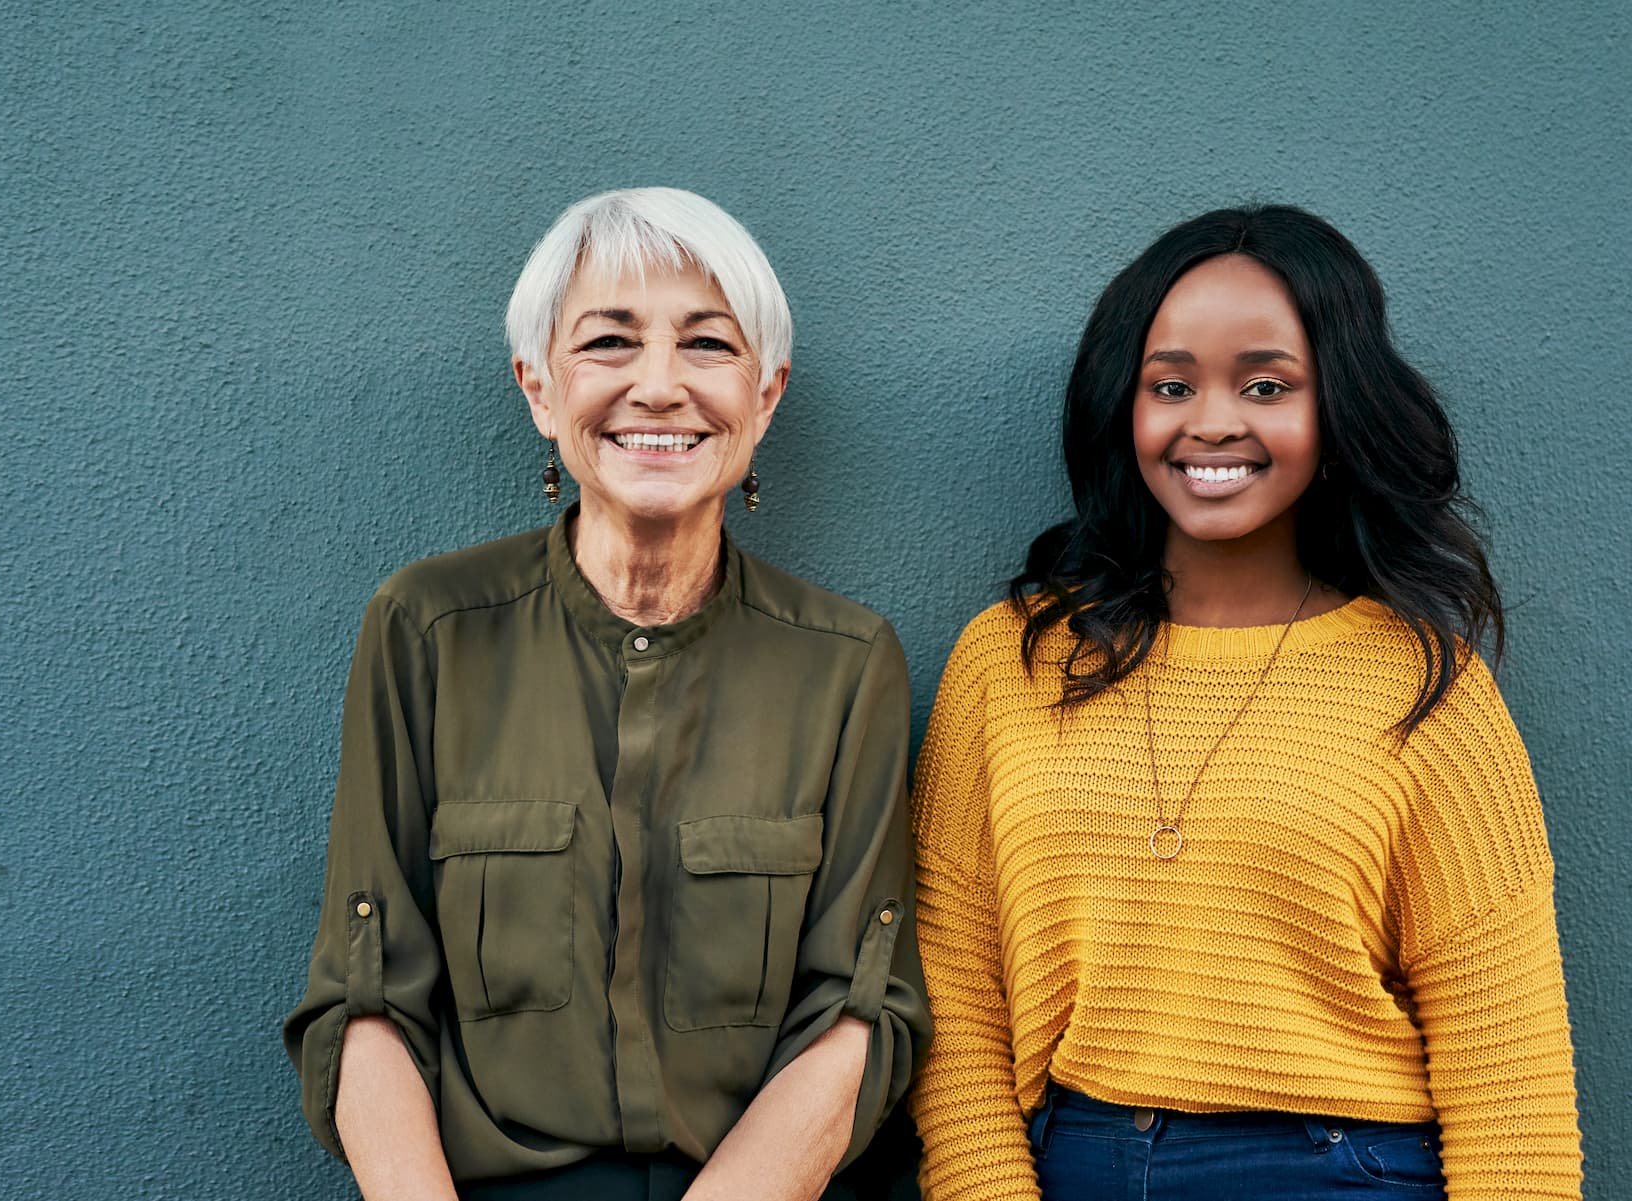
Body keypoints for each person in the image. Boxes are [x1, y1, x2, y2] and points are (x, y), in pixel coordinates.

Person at [909, 205, 1583, 1200]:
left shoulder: (1427, 684)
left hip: (1345, 1171)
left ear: (1336, 408)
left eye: (1266, 385)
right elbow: (954, 991)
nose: (1212, 420)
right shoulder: (1008, 661)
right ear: (1122, 407)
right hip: (1077, 1160)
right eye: (1170, 385)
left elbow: (1510, 1080)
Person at [284, 186, 930, 1201]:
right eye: (609, 344)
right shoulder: (428, 630)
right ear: (539, 387)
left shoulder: (846, 664)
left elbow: (856, 1014)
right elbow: (367, 996)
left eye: (710, 345)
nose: (661, 387)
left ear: (766, 397)